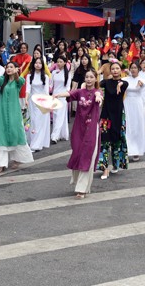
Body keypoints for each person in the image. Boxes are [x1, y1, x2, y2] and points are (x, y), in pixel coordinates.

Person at [54, 69, 104, 199]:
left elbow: (99, 95)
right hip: (78, 129)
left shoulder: (97, 92)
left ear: (95, 79)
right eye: (86, 77)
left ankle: (81, 189)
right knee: (77, 154)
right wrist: (58, 95)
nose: (88, 79)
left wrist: (98, 98)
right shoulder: (80, 92)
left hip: (91, 129)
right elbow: (70, 93)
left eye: (91, 77)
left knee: (87, 156)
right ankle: (78, 183)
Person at [0, 62, 33, 172]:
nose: (9, 69)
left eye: (11, 67)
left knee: (15, 134)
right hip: (2, 112)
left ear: (15, 69)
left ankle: (18, 159)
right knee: (1, 135)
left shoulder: (19, 81)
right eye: (7, 67)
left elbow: (19, 79)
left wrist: (16, 72)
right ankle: (1, 164)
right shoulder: (2, 81)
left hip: (14, 112)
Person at [98, 61, 129, 179]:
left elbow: (124, 84)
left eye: (117, 68)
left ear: (120, 70)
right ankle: (105, 169)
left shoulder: (124, 83)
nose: (115, 70)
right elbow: (99, 83)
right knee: (105, 142)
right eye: (113, 69)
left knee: (117, 140)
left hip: (118, 115)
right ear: (110, 70)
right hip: (106, 115)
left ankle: (116, 164)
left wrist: (119, 84)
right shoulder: (106, 82)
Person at [123, 62, 145, 161]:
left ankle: (137, 150)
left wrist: (140, 84)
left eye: (135, 67)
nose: (133, 69)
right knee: (128, 125)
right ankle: (128, 149)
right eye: (132, 68)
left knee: (137, 126)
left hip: (138, 104)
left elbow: (139, 87)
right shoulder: (125, 80)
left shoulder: (143, 80)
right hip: (127, 103)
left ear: (138, 69)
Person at [26, 56, 51, 151]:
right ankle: (34, 141)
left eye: (40, 63)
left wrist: (48, 103)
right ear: (33, 64)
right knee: (33, 122)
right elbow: (28, 89)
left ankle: (36, 144)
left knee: (39, 122)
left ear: (43, 65)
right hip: (32, 101)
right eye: (36, 63)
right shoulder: (29, 76)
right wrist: (25, 99)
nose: (38, 65)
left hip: (42, 101)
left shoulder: (45, 77)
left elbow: (46, 92)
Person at [49, 54, 72, 144]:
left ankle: (54, 136)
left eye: (61, 62)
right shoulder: (54, 72)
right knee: (55, 116)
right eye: (57, 62)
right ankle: (62, 134)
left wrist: (62, 95)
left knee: (59, 116)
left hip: (62, 97)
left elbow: (68, 88)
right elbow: (51, 85)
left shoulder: (68, 74)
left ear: (65, 63)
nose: (58, 63)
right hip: (54, 97)